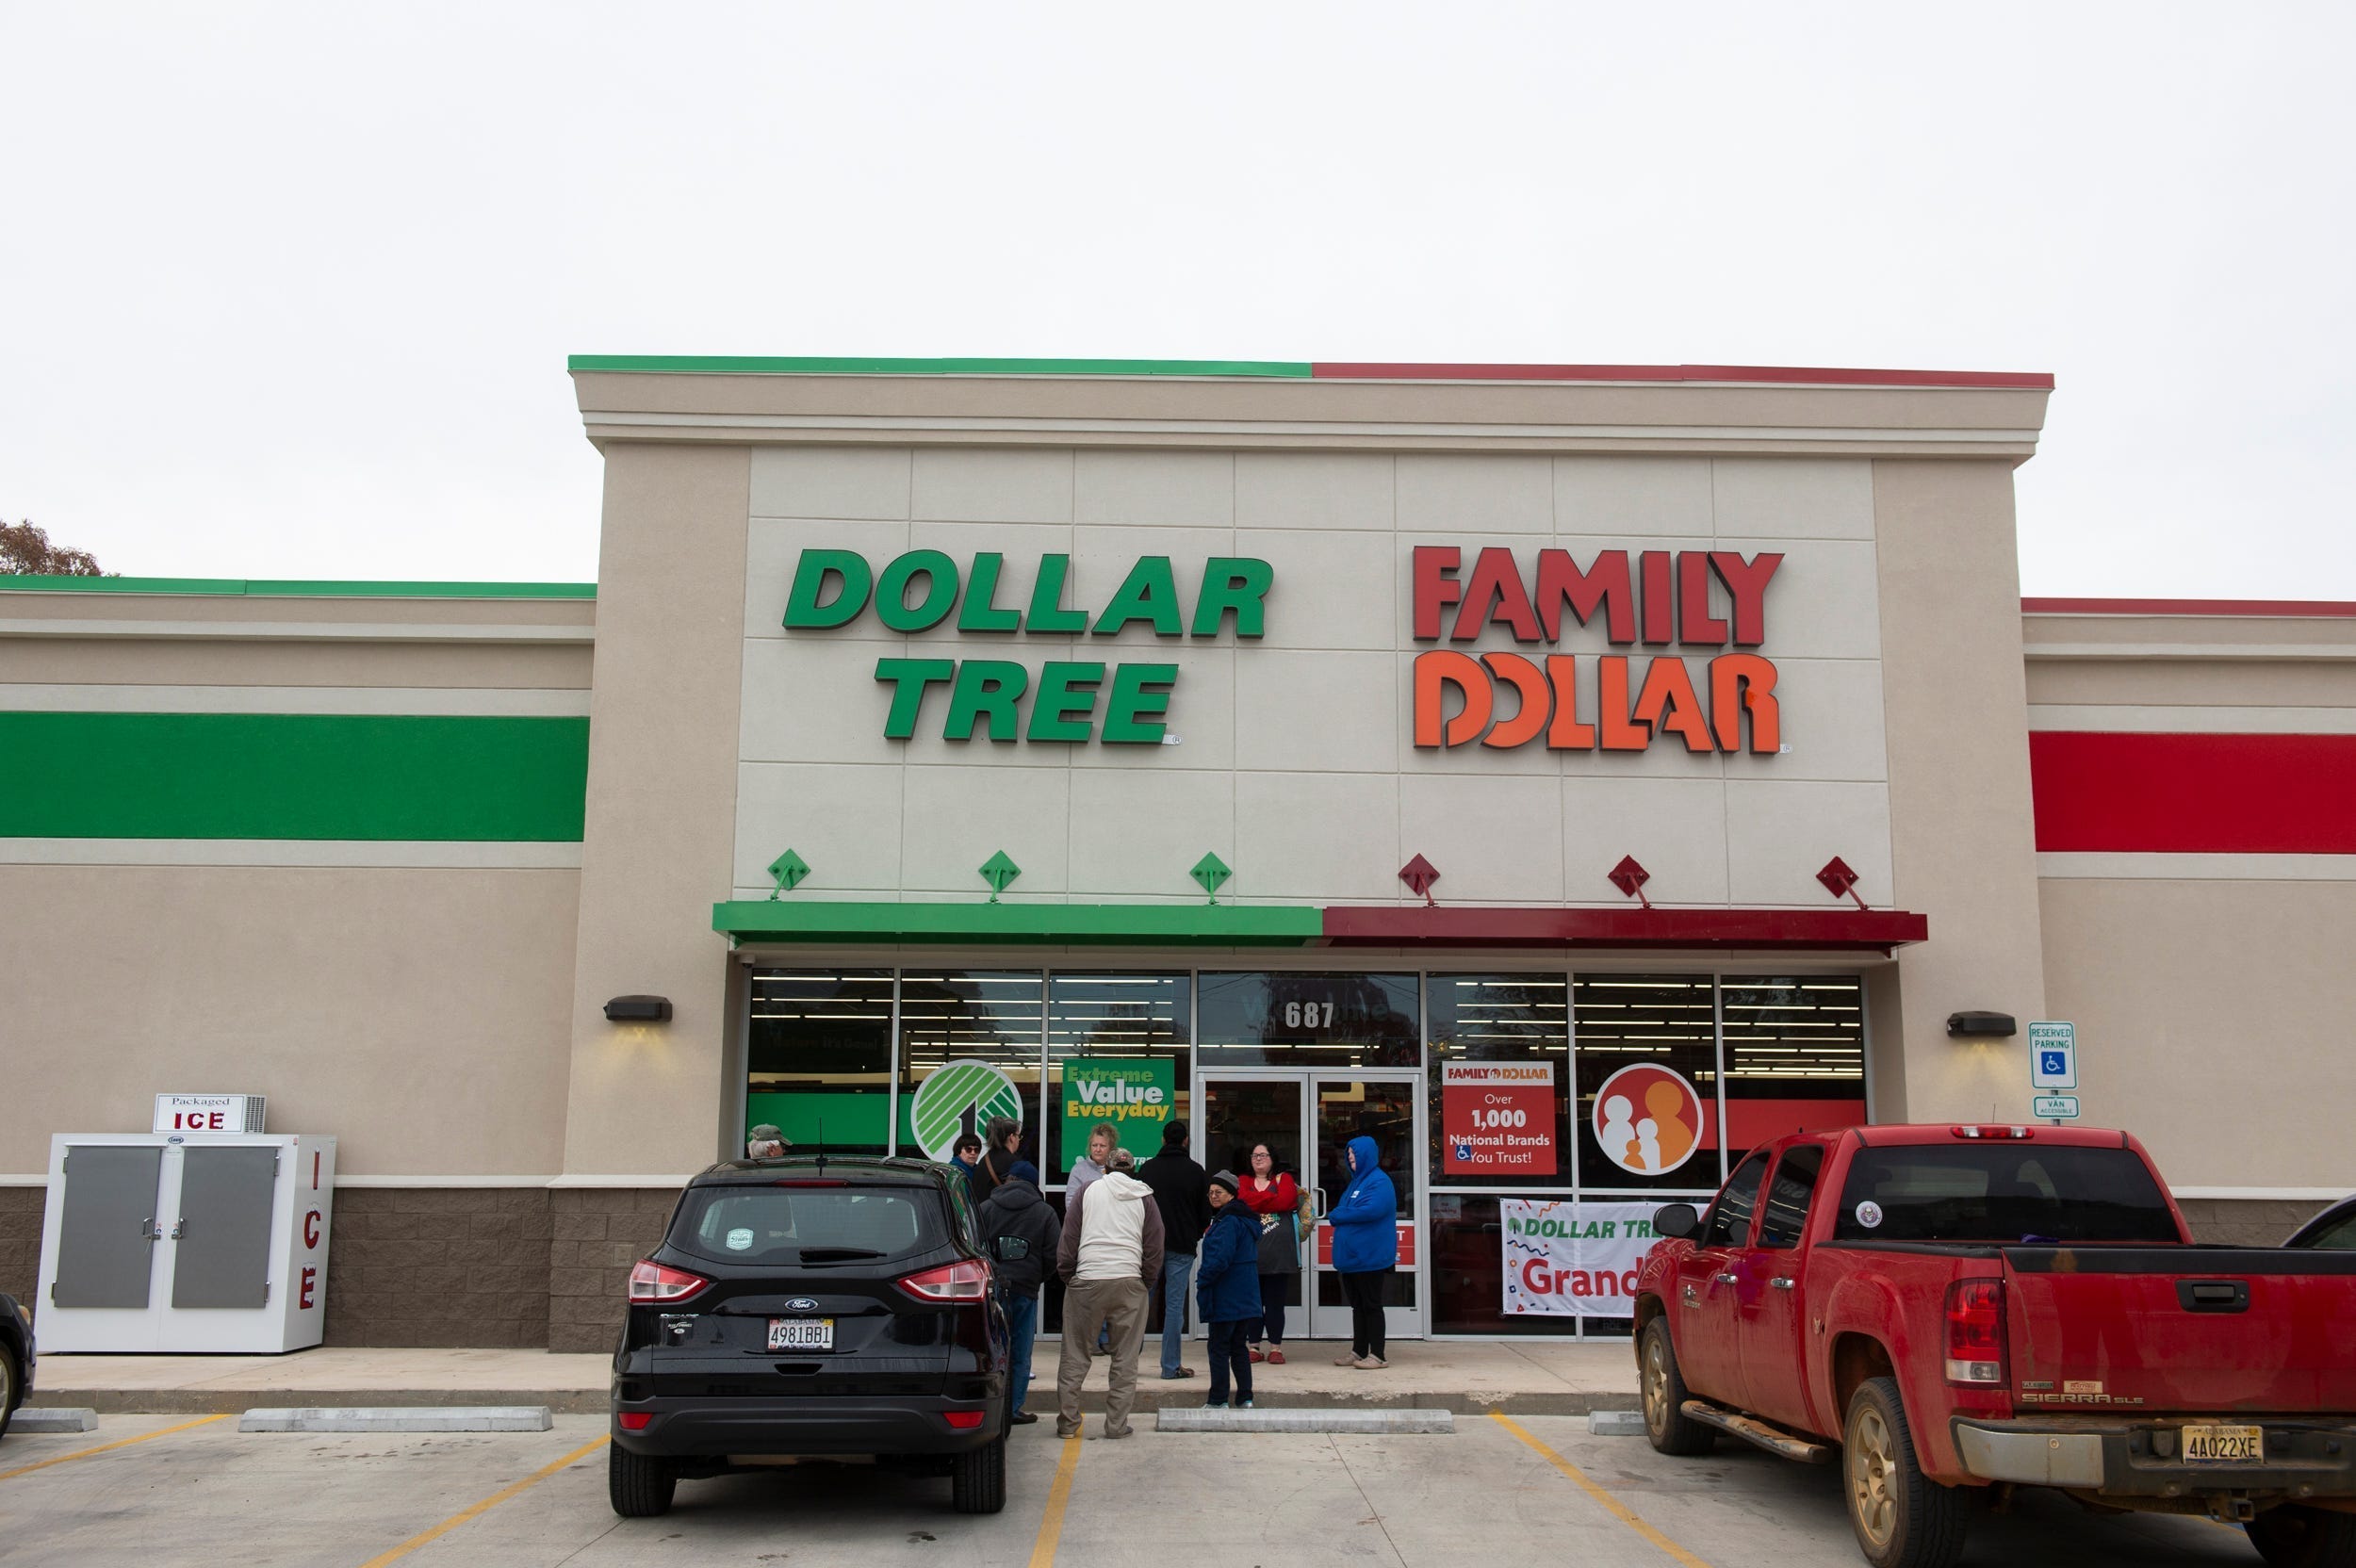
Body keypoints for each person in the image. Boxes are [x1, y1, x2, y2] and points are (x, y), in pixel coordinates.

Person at [1054, 1145, 1164, 1440]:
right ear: (1132, 1171)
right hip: (1129, 1281)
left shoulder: (1088, 1191)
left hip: (1088, 1279)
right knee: (1125, 1358)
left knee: (1076, 1354)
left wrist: (1068, 1275)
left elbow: (1070, 1237)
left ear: (1107, 1169)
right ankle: (1116, 1425)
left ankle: (1067, 1424)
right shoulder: (1145, 1197)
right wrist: (1145, 1282)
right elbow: (1154, 1245)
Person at [975, 1158, 1059, 1426]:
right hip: (1025, 1289)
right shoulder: (1044, 1212)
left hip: (992, 1291)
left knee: (991, 1350)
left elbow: (975, 1248)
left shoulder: (986, 1208)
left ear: (1009, 1180)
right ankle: (1013, 1409)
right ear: (1033, 1185)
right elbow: (1053, 1255)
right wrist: (1036, 1278)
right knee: (1021, 1352)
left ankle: (993, 1408)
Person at [1138, 1119, 1209, 1381]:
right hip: (1182, 1245)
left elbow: (1138, 1209)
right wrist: (1193, 1234)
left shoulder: (1147, 1170)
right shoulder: (1196, 1171)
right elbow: (1205, 1213)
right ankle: (1170, 1367)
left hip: (1150, 1247)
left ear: (1163, 1140)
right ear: (1186, 1141)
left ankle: (1127, 1364)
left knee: (1139, 1305)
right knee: (1174, 1307)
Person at [1328, 1134, 1398, 1369]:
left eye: (1354, 1154)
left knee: (1371, 1305)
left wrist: (1338, 1215)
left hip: (1370, 1258)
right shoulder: (1355, 1182)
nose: (1350, 1158)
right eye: (1348, 1155)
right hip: (1353, 1259)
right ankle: (1359, 1351)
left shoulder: (1380, 1181)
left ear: (1366, 1155)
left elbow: (1372, 1210)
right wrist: (1341, 1213)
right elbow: (1347, 1207)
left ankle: (1378, 1355)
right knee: (1358, 1306)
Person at [1195, 1170, 1262, 1409]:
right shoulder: (1244, 1218)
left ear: (1231, 1194)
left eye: (1218, 1192)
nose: (1213, 1196)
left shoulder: (1228, 1221)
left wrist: (1202, 1279)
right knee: (1238, 1347)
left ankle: (1218, 1400)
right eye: (1211, 1192)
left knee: (1219, 1347)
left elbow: (1219, 1259)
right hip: (1244, 1295)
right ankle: (1245, 1398)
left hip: (1226, 1294)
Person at [1236, 1141, 1301, 1364]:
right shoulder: (1243, 1181)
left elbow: (1287, 1201)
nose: (1258, 1159)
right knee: (1252, 1302)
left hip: (1279, 1256)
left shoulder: (1285, 1179)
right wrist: (1270, 1200)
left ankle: (1276, 1348)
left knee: (1275, 1302)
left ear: (1273, 1158)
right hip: (1249, 1255)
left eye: (1263, 1155)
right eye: (1254, 1155)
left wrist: (1258, 1203)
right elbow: (1242, 1201)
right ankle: (1253, 1346)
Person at [968, 1116, 1022, 1206]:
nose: (1019, 1140)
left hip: (983, 1216)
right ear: (1012, 1137)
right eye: (1018, 1136)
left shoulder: (983, 1162)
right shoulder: (1014, 1164)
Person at [1066, 1121, 1118, 1204]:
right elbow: (1071, 1202)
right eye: (1094, 1145)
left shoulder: (1118, 1168)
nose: (1098, 1149)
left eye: (1102, 1146)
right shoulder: (1079, 1170)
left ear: (1111, 1148)